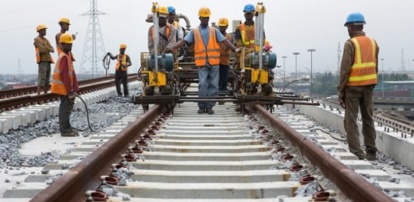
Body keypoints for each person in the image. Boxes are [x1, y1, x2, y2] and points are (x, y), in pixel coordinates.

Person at [169, 7, 237, 114]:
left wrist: (235, 49)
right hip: (202, 63)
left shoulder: (215, 31)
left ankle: (209, 106)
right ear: (199, 18)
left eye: (207, 18)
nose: (205, 19)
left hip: (214, 62)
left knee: (213, 85)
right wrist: (173, 47)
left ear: (208, 18)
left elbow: (225, 41)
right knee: (203, 84)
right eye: (203, 18)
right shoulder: (194, 31)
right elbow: (184, 41)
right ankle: (201, 105)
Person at [338, 12, 379, 161]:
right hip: (369, 86)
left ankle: (357, 153)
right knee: (368, 118)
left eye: (347, 27)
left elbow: (345, 70)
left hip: (353, 87)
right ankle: (371, 151)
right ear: (362, 26)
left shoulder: (350, 44)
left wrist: (341, 90)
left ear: (350, 27)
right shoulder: (373, 43)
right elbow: (376, 67)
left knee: (351, 120)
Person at [51, 33, 79, 137]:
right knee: (65, 109)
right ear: (62, 45)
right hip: (63, 88)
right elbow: (65, 76)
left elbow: (71, 74)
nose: (70, 46)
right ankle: (65, 130)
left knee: (66, 108)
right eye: (67, 44)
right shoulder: (64, 57)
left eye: (70, 44)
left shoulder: (67, 57)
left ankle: (67, 127)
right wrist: (70, 91)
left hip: (65, 88)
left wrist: (74, 88)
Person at [34, 24, 54, 95]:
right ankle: (38, 93)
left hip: (48, 60)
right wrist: (47, 48)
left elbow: (52, 49)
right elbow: (41, 50)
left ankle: (45, 93)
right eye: (44, 30)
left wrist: (46, 47)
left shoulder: (46, 40)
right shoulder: (36, 39)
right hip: (42, 61)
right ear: (39, 31)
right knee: (41, 78)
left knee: (47, 78)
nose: (45, 31)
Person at [217, 18, 233, 92]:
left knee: (224, 78)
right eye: (220, 26)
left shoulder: (229, 37)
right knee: (216, 77)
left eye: (223, 26)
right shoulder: (215, 36)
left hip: (225, 61)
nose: (221, 28)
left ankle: (223, 90)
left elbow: (230, 47)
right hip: (216, 61)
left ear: (226, 26)